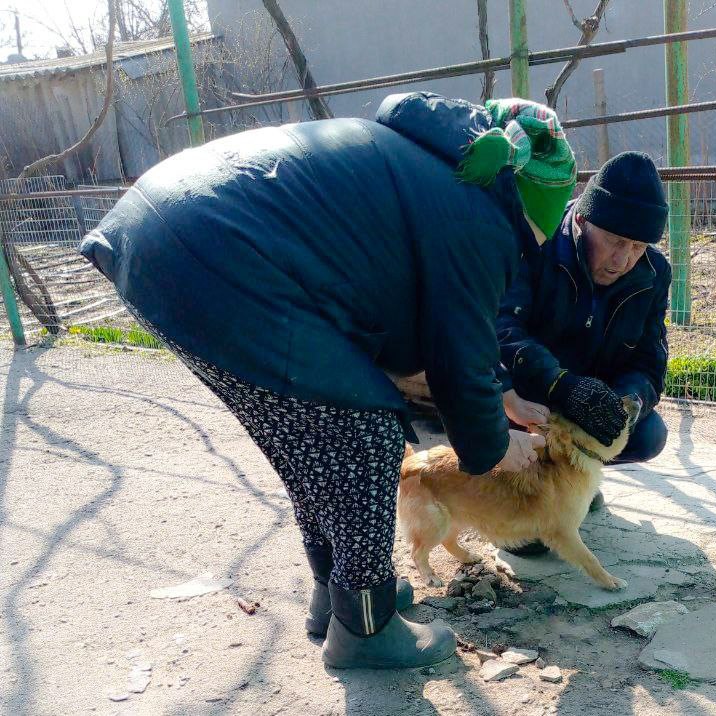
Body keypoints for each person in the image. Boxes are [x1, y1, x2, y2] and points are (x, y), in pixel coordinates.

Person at [78, 92, 576, 670]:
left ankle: (340, 595)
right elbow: (457, 359)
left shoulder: (437, 172)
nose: (528, 253)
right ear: (531, 206)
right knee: (363, 433)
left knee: (309, 444)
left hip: (161, 242)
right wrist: (497, 444)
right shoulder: (483, 217)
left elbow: (447, 324)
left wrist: (498, 394)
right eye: (536, 239)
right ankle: (365, 628)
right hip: (221, 253)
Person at [495, 152, 672, 553]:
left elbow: (649, 360)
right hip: (529, 400)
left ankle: (578, 483)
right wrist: (559, 384)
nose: (623, 259)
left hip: (589, 405)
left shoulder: (654, 273)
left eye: (637, 246)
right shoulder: (538, 245)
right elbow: (502, 330)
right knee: (532, 544)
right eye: (613, 241)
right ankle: (505, 487)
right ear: (581, 220)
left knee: (647, 434)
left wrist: (626, 404)